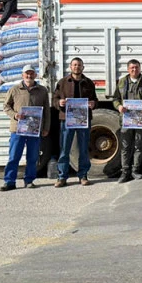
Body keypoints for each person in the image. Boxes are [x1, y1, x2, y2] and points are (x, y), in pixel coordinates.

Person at [0, 65, 50, 191]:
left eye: (32, 73)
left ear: (35, 75)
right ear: (22, 75)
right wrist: (15, 115)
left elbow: (47, 111)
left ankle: (29, 180)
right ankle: (9, 181)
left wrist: (46, 127)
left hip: (34, 129)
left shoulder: (42, 90)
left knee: (33, 157)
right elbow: (6, 106)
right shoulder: (15, 90)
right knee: (14, 156)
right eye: (27, 74)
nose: (29, 76)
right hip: (18, 129)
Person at [53, 57, 99, 187]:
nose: (77, 67)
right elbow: (54, 99)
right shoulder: (62, 83)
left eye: (79, 65)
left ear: (83, 67)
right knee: (64, 148)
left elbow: (95, 99)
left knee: (83, 149)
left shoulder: (89, 83)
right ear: (70, 67)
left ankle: (83, 176)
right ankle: (62, 177)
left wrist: (93, 103)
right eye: (74, 65)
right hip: (67, 120)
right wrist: (59, 103)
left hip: (83, 120)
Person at [111, 58, 142, 183]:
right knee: (125, 146)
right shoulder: (121, 82)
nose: (134, 69)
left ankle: (135, 170)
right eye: (132, 68)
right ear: (128, 69)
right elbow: (115, 99)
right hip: (126, 120)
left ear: (140, 68)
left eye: (136, 67)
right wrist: (119, 106)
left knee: (138, 145)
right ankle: (125, 172)